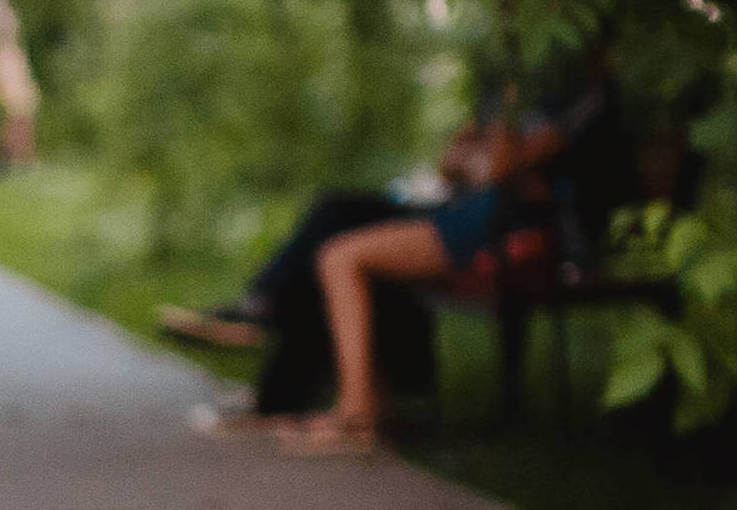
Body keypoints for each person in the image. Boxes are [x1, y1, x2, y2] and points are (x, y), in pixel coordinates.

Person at [162, 53, 623, 455]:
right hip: (474, 215)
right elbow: (455, 161)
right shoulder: (537, 93)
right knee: (336, 212)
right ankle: (269, 325)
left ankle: (354, 413)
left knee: (340, 258)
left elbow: (493, 166)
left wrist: (495, 141)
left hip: (515, 233)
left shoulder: (579, 96)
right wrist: (490, 157)